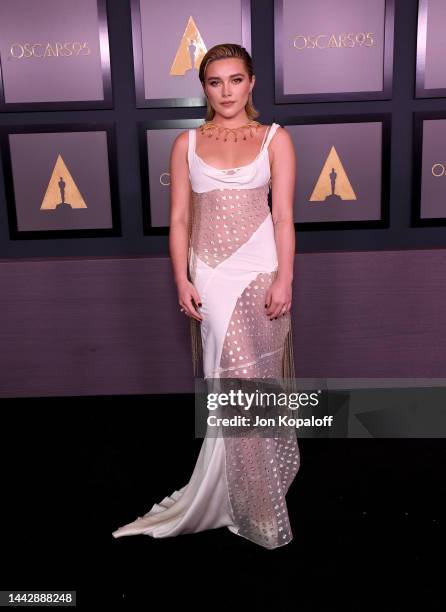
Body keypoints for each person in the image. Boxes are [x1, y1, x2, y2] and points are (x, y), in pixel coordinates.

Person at [112, 43, 300, 549]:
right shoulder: (187, 144)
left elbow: (283, 216)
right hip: (211, 273)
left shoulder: (275, 139)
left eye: (235, 80)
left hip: (261, 269)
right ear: (204, 88)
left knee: (255, 378)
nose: (226, 91)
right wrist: (181, 279)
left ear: (252, 82)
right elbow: (177, 220)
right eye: (216, 82)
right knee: (234, 374)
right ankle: (247, 498)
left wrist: (285, 278)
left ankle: (256, 489)